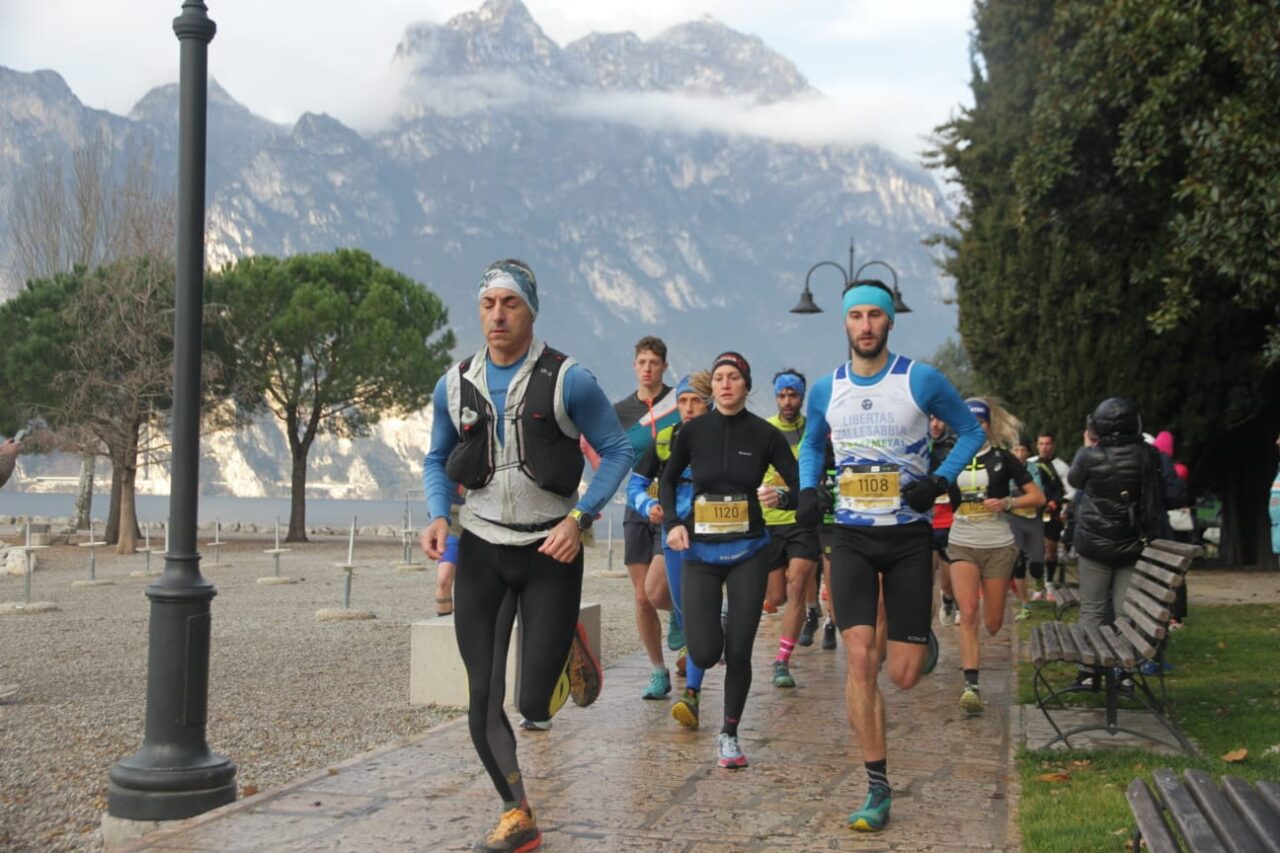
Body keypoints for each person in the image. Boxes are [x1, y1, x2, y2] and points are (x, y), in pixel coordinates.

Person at [421, 259, 632, 853]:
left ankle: (568, 647)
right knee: (483, 693)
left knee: (533, 702)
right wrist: (440, 515)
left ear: (530, 310)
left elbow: (616, 452)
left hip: (551, 550)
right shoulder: (454, 382)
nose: (497, 315)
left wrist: (579, 519)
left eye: (509, 304)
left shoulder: (570, 379)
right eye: (488, 304)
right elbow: (436, 460)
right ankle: (517, 812)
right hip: (484, 550)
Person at [795, 280, 984, 832]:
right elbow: (811, 442)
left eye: (875, 315)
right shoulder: (827, 388)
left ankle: (920, 644)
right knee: (859, 659)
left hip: (907, 539)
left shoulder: (919, 379)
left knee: (901, 675)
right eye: (856, 316)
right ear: (846, 324)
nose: (866, 325)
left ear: (889, 322)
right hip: (851, 536)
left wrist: (941, 480)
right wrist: (809, 488)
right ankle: (877, 786)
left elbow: (971, 431)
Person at [661, 351, 801, 769]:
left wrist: (785, 497)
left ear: (746, 385)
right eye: (719, 377)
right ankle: (716, 628)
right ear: (712, 387)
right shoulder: (693, 432)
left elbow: (798, 484)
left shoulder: (765, 435)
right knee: (703, 653)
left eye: (734, 378)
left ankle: (729, 735)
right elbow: (667, 480)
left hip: (749, 552)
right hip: (701, 553)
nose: (725, 384)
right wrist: (672, 522)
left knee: (738, 650)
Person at [1067, 398, 1185, 689]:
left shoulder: (1087, 456)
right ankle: (1124, 671)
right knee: (1124, 610)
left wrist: (1089, 445)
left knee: (1093, 608)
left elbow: (1075, 481)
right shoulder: (1148, 455)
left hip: (1094, 543)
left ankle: (1088, 670)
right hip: (1132, 542)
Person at [624, 371, 715, 726]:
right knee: (656, 594)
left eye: (695, 401)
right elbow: (636, 483)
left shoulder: (723, 438)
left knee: (694, 612)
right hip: (674, 532)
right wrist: (648, 507)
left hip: (712, 535)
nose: (688, 408)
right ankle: (684, 627)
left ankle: (691, 696)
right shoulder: (665, 438)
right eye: (682, 401)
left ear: (708, 403)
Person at [946, 401, 1043, 713]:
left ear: (989, 425)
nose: (976, 427)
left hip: (999, 544)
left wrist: (1008, 502)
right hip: (962, 542)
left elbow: (1037, 496)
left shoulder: (1003, 458)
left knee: (993, 622)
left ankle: (995, 615)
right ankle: (971, 686)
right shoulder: (952, 458)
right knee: (969, 613)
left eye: (981, 423)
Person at [613, 336, 683, 699]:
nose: (647, 368)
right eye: (642, 361)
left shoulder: (680, 402)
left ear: (664, 367)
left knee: (658, 591)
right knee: (641, 598)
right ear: (634, 365)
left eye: (654, 362)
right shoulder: (622, 410)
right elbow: (610, 458)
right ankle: (658, 672)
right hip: (637, 506)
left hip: (674, 508)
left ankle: (685, 614)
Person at [759, 369, 821, 689]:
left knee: (797, 586)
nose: (787, 401)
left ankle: (782, 660)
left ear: (802, 396)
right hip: (770, 523)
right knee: (776, 596)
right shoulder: (764, 430)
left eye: (793, 395)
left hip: (802, 521)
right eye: (782, 395)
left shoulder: (813, 431)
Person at [1030, 433, 1074, 596]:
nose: (1044, 447)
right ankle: (1037, 585)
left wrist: (1058, 502)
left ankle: (1049, 583)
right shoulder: (1030, 464)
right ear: (1037, 445)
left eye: (1047, 444)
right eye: (1041, 444)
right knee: (1035, 551)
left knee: (1050, 550)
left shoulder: (1061, 466)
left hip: (1052, 513)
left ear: (1053, 445)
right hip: (1033, 513)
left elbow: (1072, 491)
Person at [1008, 440, 1046, 623]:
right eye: (1016, 449)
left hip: (1033, 520)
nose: (1019, 453)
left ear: (1028, 452)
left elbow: (1039, 493)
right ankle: (1025, 605)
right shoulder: (1005, 467)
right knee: (1018, 562)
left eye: (1023, 449)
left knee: (1036, 564)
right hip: (1013, 519)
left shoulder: (1033, 468)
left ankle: (1039, 579)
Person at [929, 416, 959, 626]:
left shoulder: (953, 447)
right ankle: (923, 626)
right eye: (930, 419)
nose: (935, 424)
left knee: (948, 582)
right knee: (924, 580)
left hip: (949, 520)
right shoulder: (916, 446)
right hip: (926, 521)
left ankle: (948, 599)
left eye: (939, 420)